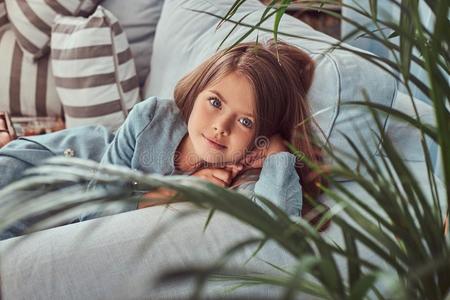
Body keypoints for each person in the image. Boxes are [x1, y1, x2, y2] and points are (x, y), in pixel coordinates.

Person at [0, 38, 327, 240]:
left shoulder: (246, 171)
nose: (220, 127)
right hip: (40, 168)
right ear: (198, 91)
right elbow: (93, 215)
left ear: (260, 135)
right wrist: (176, 193)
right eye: (214, 102)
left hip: (47, 215)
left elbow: (280, 231)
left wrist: (278, 152)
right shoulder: (152, 117)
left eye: (245, 120)